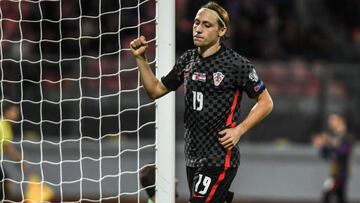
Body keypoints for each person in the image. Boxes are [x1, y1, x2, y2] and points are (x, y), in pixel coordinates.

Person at [130, 1, 273, 202]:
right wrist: (141, 59)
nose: (198, 28)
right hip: (193, 155)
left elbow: (266, 102)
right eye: (197, 23)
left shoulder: (236, 64)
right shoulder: (187, 60)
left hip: (218, 157)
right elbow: (154, 90)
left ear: (222, 30)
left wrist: (239, 130)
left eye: (207, 25)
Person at [312, 113, 353, 203]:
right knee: (340, 197)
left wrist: (332, 144)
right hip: (335, 173)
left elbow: (341, 153)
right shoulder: (333, 138)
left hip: (341, 173)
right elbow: (326, 155)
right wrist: (322, 146)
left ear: (340, 122)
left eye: (333, 121)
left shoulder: (346, 138)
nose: (331, 124)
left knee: (327, 193)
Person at [0, 102, 24, 200]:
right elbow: (9, 148)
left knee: (6, 181)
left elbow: (6, 148)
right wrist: (20, 161)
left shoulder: (5, 125)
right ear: (7, 112)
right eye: (14, 112)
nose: (16, 115)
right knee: (6, 182)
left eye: (17, 113)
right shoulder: (3, 124)